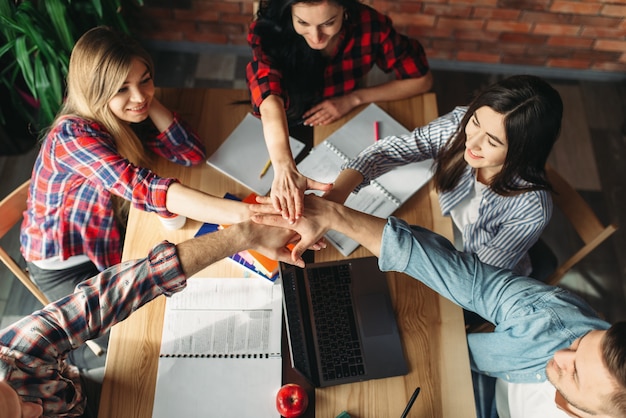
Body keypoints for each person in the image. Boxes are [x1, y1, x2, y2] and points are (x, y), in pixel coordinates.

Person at [249, 194, 625, 418]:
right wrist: (336, 215)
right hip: (472, 376)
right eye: (580, 343)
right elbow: (466, 278)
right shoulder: (554, 321)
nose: (559, 351)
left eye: (574, 373)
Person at [20, 26, 253, 303]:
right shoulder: (72, 137)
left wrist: (148, 101)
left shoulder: (122, 113)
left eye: (145, 80)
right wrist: (247, 214)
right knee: (128, 328)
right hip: (65, 261)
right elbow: (143, 187)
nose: (139, 96)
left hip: (108, 231)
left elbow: (190, 153)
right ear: (95, 91)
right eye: (122, 88)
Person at [0, 219, 303, 418]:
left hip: (89, 391)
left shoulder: (15, 352)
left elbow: (104, 298)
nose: (35, 410)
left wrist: (243, 235)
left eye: (17, 397)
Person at [324, 74, 563, 278]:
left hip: (480, 272)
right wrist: (335, 196)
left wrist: (346, 220)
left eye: (492, 141)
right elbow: (391, 150)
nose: (472, 141)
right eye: (476, 122)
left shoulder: (531, 209)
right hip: (449, 232)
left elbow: (476, 278)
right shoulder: (461, 122)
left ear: (524, 150)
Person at [246, 0, 433, 223]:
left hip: (344, 114)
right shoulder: (269, 29)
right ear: (289, 11)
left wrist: (353, 99)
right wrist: (284, 167)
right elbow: (268, 96)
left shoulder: (369, 25)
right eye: (303, 22)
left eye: (328, 23)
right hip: (284, 118)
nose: (316, 37)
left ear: (345, 10)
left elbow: (422, 81)